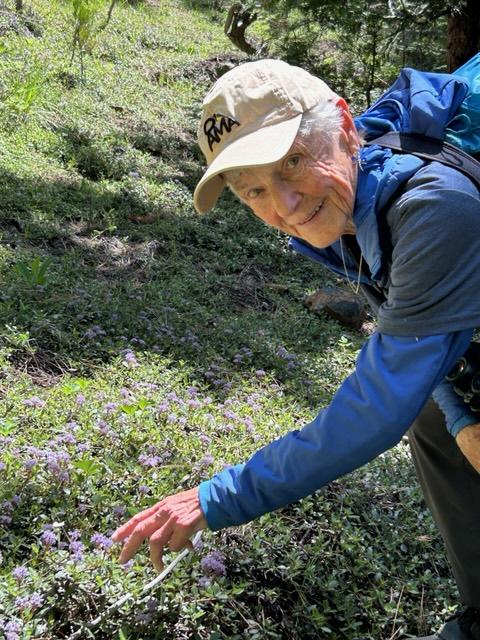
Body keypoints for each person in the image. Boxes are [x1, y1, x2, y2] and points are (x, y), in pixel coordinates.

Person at [112, 59, 480, 639]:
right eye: (254, 190)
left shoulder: (433, 207)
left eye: (292, 161)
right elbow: (406, 317)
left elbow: (374, 410)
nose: (283, 205)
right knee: (436, 416)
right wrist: (462, 417)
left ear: (343, 125)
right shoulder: (350, 206)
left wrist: (217, 498)